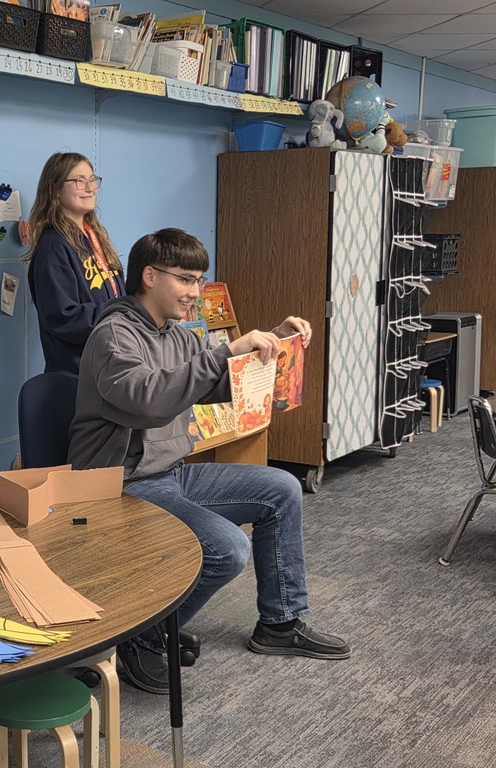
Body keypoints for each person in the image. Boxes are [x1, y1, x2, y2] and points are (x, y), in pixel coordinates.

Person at [68, 228, 350, 695]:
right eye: (185, 279)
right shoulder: (113, 336)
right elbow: (149, 402)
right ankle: (141, 635)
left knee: (282, 488)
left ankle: (279, 623)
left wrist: (276, 345)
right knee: (227, 549)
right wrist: (224, 352)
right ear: (149, 276)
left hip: (170, 474)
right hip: (122, 483)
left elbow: (218, 383)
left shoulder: (176, 336)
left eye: (199, 280)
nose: (195, 292)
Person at [26, 151, 125, 374]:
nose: (90, 188)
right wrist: (122, 311)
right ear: (55, 189)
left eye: (92, 179)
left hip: (110, 363)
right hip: (78, 375)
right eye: (80, 181)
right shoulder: (53, 247)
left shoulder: (94, 238)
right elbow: (63, 317)